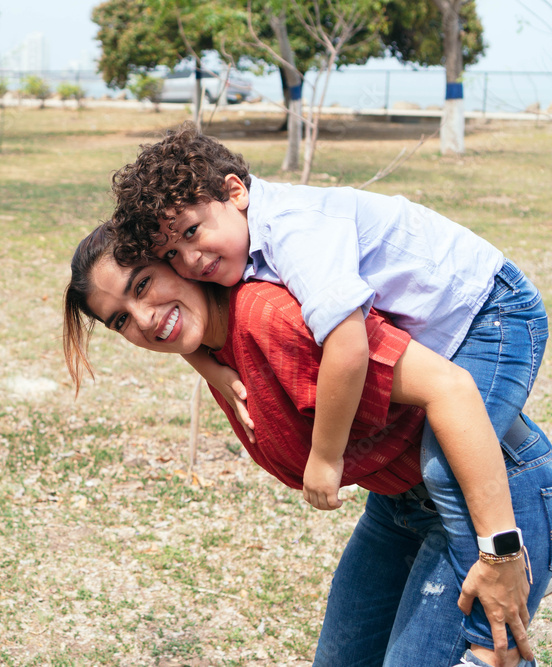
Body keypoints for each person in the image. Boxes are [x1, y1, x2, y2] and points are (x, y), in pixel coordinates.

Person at [108, 125, 550, 666]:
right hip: (435, 379)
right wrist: (206, 365)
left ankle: (491, 627)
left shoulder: (296, 232)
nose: (190, 259)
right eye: (171, 253)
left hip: (492, 311)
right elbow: (181, 319)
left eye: (192, 233)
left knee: (442, 467)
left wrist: (325, 456)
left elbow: (347, 346)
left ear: (236, 191)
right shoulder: (235, 250)